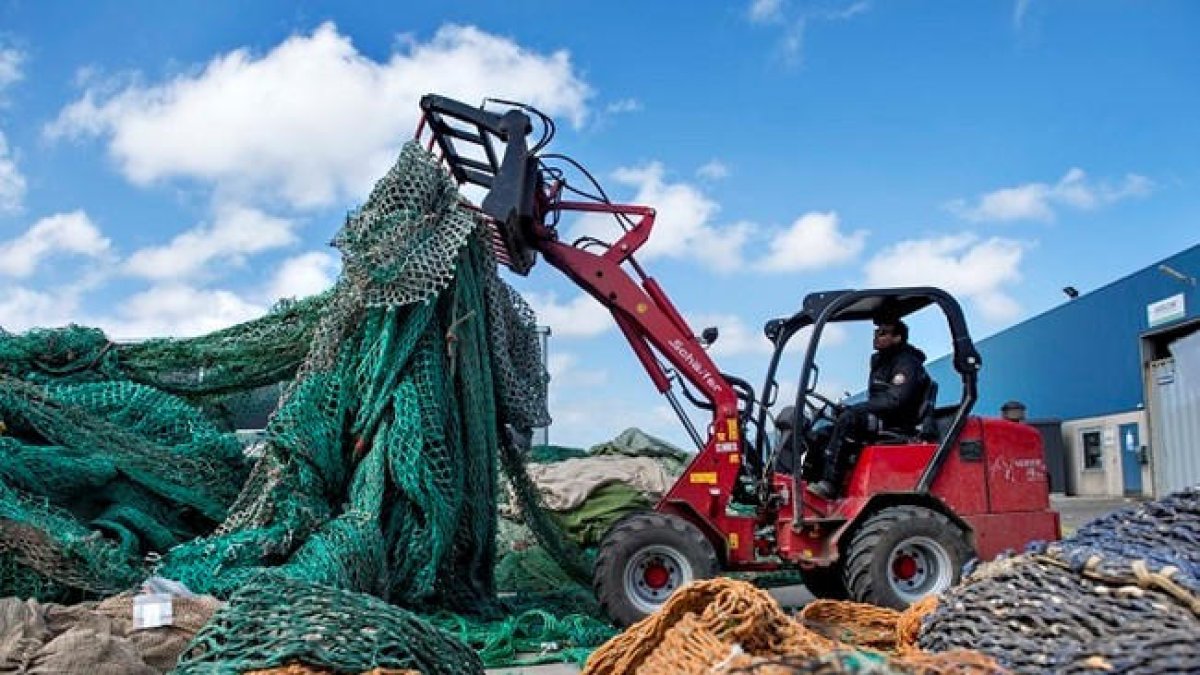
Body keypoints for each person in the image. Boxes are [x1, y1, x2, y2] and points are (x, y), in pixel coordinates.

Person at [807, 317, 930, 500]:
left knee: (849, 420)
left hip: (898, 422)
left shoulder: (907, 363)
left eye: (883, 333)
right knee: (823, 433)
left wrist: (858, 409)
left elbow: (896, 400)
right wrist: (851, 408)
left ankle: (831, 483)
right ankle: (809, 481)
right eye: (876, 332)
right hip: (883, 416)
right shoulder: (881, 361)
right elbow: (877, 400)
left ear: (897, 338)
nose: (876, 336)